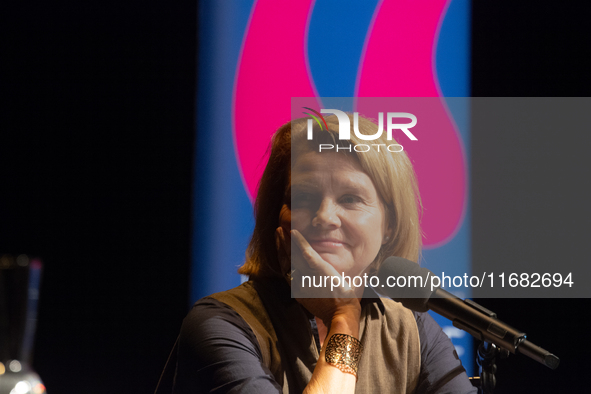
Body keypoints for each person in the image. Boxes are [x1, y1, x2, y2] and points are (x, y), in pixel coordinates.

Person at [156, 115, 477, 393]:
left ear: (389, 225)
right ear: (275, 218)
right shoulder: (220, 323)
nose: (324, 216)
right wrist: (344, 318)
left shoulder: (413, 331)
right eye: (304, 197)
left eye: (350, 198)